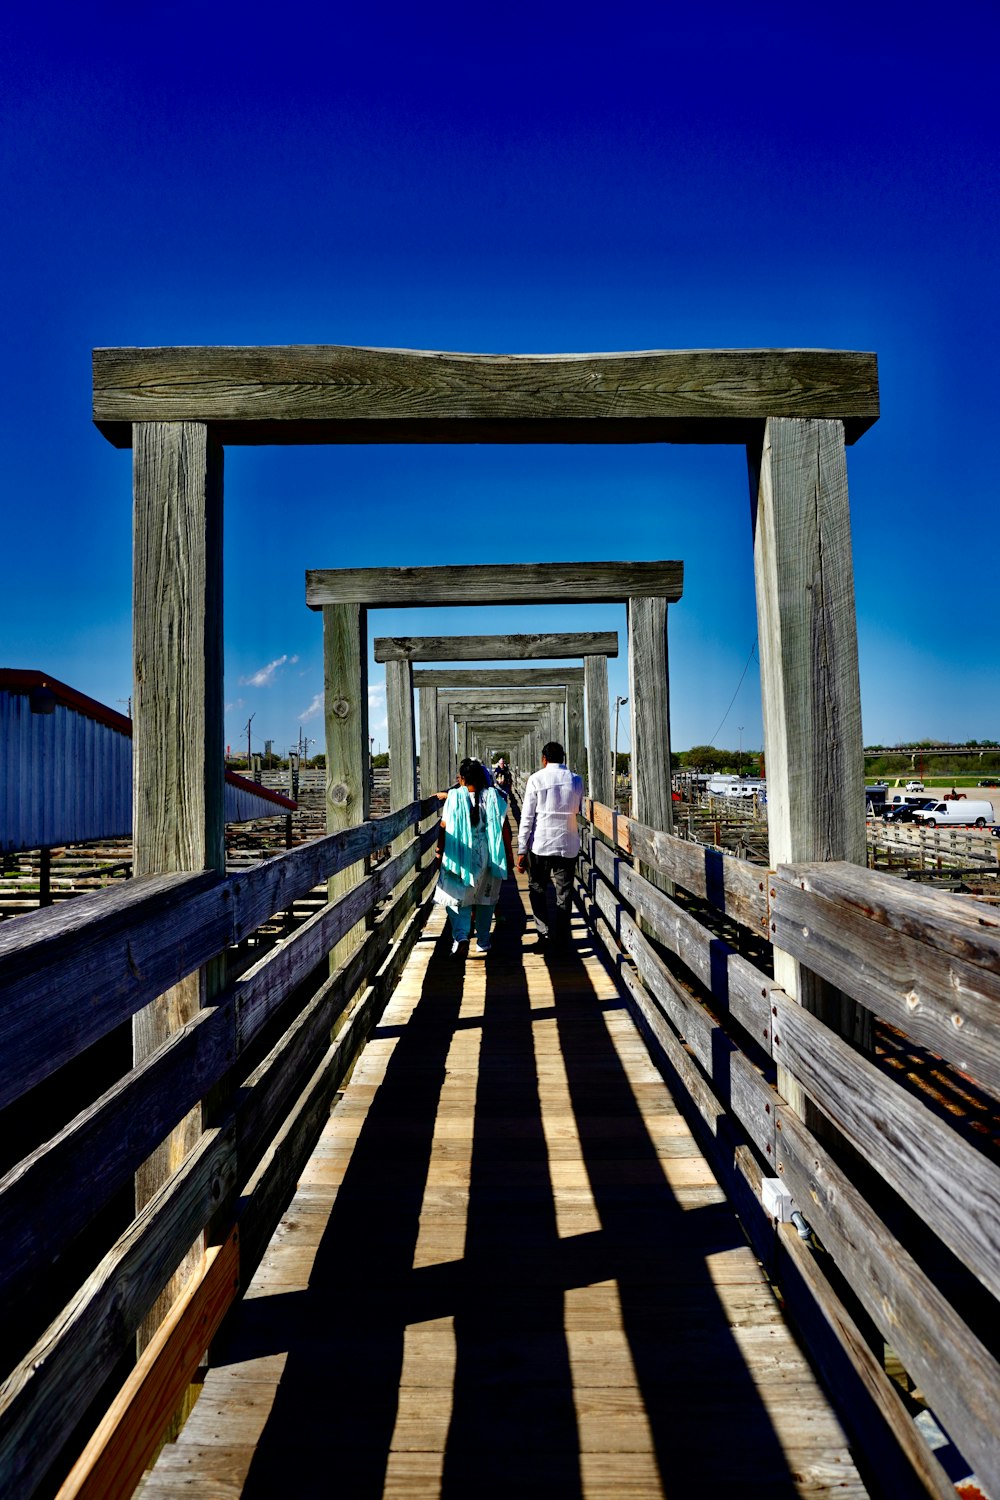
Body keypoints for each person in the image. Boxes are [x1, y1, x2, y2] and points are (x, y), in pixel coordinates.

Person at [434, 757, 513, 955]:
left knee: (455, 897)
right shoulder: (492, 796)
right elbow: (504, 828)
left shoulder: (454, 797)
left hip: (460, 853)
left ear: (461, 779)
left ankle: (461, 936)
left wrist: (439, 850)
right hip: (487, 854)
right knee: (485, 898)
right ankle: (483, 941)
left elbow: (444, 828)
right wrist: (509, 854)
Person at [516, 740, 584, 949]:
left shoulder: (536, 779)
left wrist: (521, 848)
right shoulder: (577, 780)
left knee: (537, 888)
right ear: (563, 758)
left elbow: (527, 816)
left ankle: (544, 934)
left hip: (541, 845)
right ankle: (562, 939)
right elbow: (579, 808)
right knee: (563, 894)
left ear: (544, 759)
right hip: (568, 842)